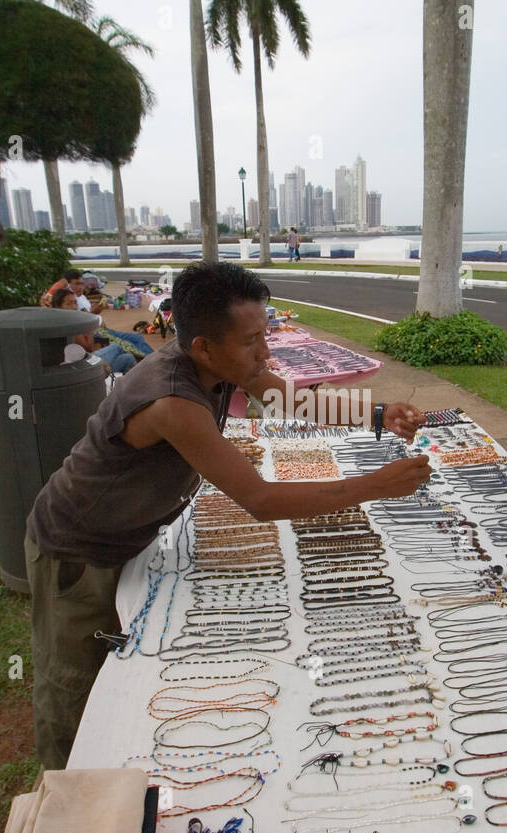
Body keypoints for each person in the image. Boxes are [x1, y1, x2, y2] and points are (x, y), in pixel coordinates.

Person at [25, 262, 431, 770]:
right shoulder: (172, 400)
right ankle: (60, 801)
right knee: (74, 684)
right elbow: (259, 500)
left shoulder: (224, 360)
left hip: (126, 538)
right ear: (204, 346)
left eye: (265, 335)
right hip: (76, 548)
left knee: (117, 659)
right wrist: (374, 486)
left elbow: (291, 399)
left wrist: (377, 413)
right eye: (251, 341)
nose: (264, 352)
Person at [49, 288, 137, 374]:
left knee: (128, 358)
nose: (74, 307)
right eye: (69, 304)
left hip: (84, 361)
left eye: (75, 302)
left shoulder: (65, 320)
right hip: (81, 365)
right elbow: (88, 347)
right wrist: (89, 323)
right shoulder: (68, 323)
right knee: (117, 347)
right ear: (58, 307)